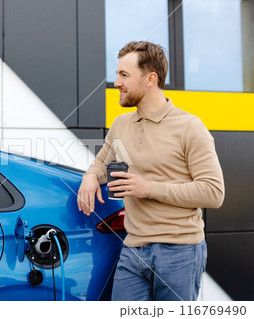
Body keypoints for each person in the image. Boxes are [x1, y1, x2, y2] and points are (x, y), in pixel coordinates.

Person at [77, 41, 224, 301]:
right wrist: (90, 177)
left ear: (150, 79)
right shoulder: (120, 124)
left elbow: (213, 192)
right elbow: (101, 163)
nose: (116, 82)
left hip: (180, 252)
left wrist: (149, 189)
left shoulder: (190, 126)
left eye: (124, 75)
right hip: (133, 249)